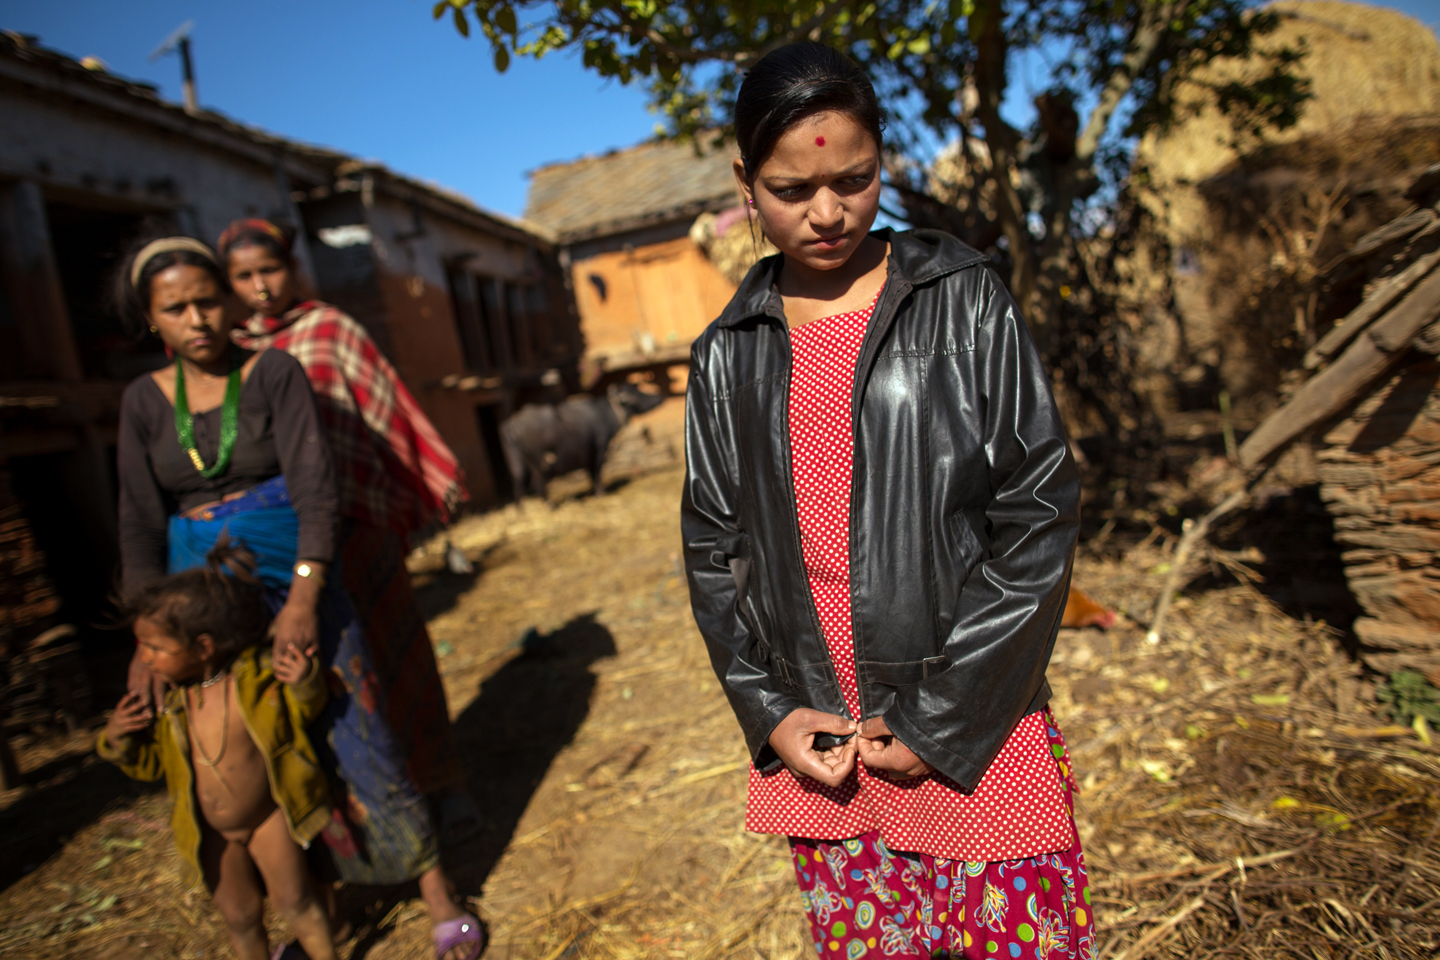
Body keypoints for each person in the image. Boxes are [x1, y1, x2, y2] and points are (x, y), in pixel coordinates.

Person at [680, 42, 1095, 959]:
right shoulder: (725, 353)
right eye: (793, 190)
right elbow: (714, 550)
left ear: (883, 161)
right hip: (825, 746)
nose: (828, 212)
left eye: (855, 179)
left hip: (974, 717)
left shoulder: (964, 300)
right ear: (746, 183)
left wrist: (942, 717)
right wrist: (771, 710)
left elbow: (1037, 512)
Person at [113, 236, 483, 960]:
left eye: (208, 300)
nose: (198, 319)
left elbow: (317, 488)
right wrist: (144, 639)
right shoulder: (142, 402)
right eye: (176, 308)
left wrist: (306, 599)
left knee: (357, 724)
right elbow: (136, 519)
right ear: (150, 320)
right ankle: (316, 913)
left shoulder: (273, 373)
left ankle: (438, 892)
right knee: (255, 749)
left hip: (298, 580)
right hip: (202, 608)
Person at [99, 544, 338, 960]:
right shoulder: (173, 707)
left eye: (156, 648)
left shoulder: (254, 682)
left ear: (204, 647)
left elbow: (301, 712)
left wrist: (303, 681)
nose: (146, 660)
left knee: (297, 903)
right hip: (213, 835)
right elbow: (152, 765)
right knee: (241, 919)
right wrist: (118, 737)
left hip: (268, 818)